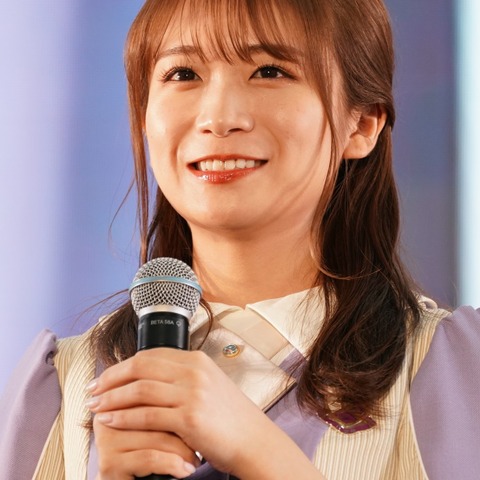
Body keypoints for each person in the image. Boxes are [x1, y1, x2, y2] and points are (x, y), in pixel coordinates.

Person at [1, 0, 479, 479]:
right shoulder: (60, 390)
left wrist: (258, 451)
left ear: (362, 124)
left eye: (270, 71)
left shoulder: (456, 372)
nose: (218, 117)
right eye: (183, 74)